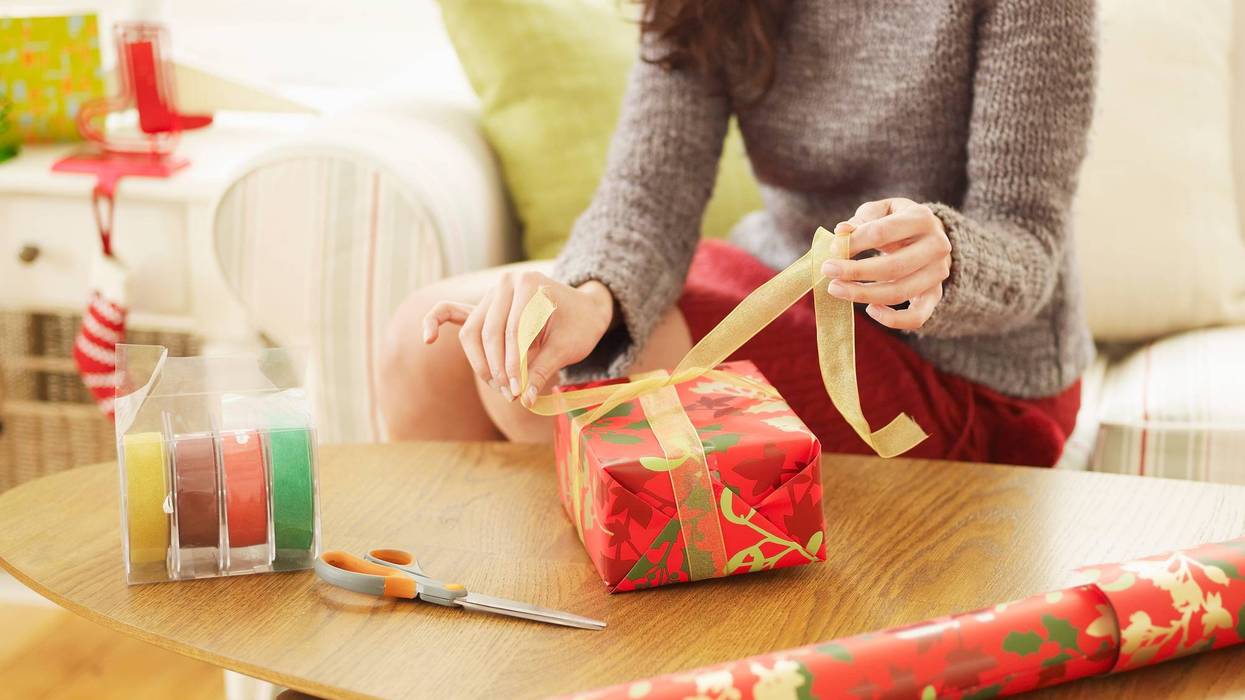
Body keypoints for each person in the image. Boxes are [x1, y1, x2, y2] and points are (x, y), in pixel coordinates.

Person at [380, 0, 1096, 467]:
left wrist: (946, 261)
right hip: (781, 285)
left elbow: (1025, 241)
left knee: (545, 388)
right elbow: (645, 194)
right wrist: (587, 300)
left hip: (968, 368)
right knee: (439, 343)